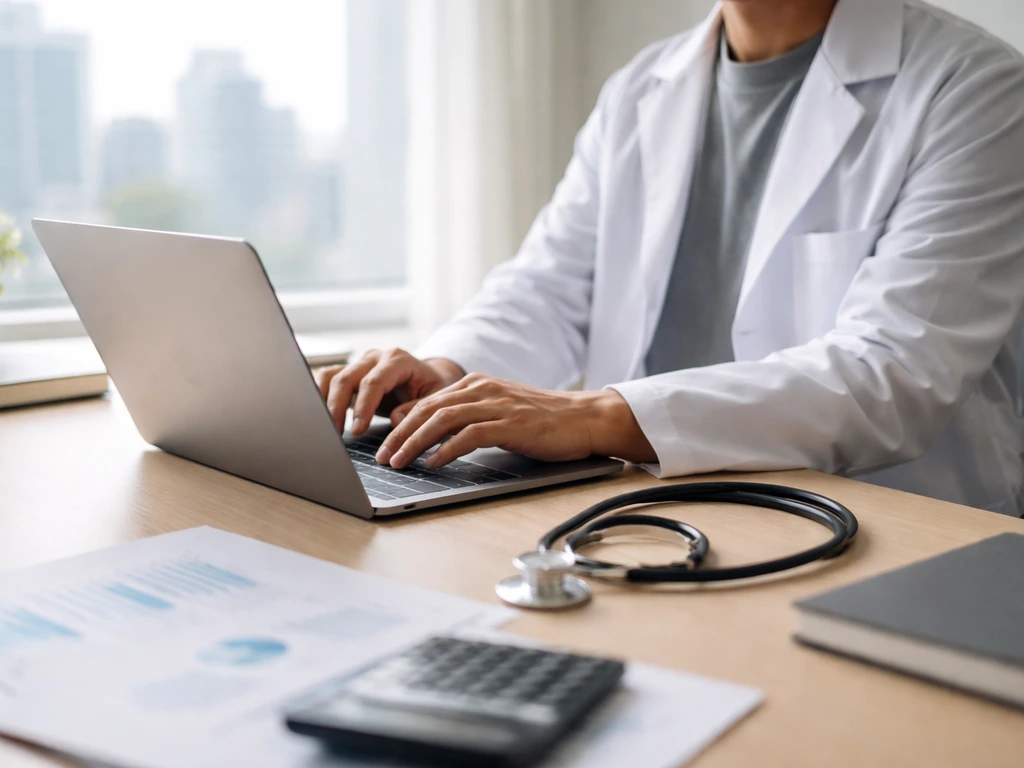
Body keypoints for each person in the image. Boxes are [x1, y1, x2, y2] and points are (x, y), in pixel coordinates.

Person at [316, 0, 1024, 515]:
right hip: (665, 509)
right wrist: (446, 374)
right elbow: (547, 287)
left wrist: (597, 416)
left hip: (894, 524)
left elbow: (893, 374)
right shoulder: (640, 89)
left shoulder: (975, 88)